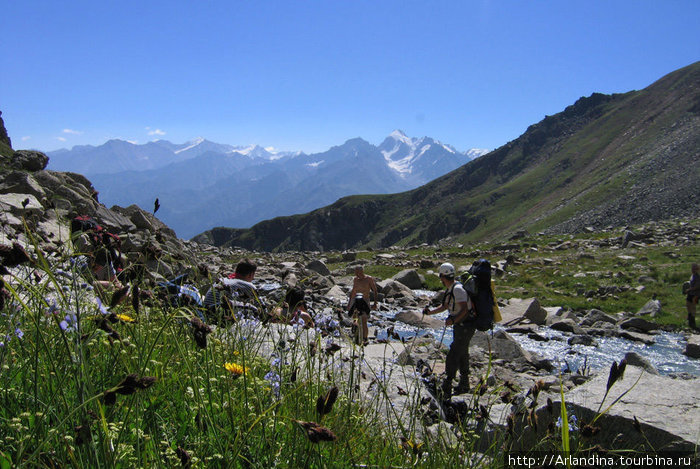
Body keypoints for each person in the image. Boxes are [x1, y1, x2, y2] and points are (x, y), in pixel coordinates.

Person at [423, 262, 475, 397]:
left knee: (454, 353)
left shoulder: (457, 289)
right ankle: (464, 383)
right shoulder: (451, 289)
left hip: (466, 325)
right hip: (462, 325)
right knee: (462, 352)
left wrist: (453, 320)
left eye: (441, 276)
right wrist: (430, 313)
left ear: (442, 276)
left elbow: (464, 309)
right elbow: (445, 306)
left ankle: (448, 382)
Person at [204, 259, 261, 323]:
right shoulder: (247, 285)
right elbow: (261, 308)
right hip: (219, 316)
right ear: (250, 275)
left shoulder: (222, 280)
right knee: (254, 309)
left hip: (206, 314)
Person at [347, 265, 378, 345]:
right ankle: (356, 336)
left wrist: (375, 303)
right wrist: (349, 303)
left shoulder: (368, 279)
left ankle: (365, 338)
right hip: (356, 300)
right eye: (355, 272)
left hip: (365, 300)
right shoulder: (355, 279)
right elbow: (353, 291)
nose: (356, 274)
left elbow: (375, 290)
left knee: (364, 320)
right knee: (355, 319)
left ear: (362, 271)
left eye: (358, 272)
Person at [686, 263, 700, 330]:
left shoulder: (697, 277)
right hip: (690, 293)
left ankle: (692, 322)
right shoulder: (692, 276)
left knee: (693, 307)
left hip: (695, 294)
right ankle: (689, 318)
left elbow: (697, 286)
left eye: (694, 268)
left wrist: (689, 289)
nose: (693, 270)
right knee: (688, 305)